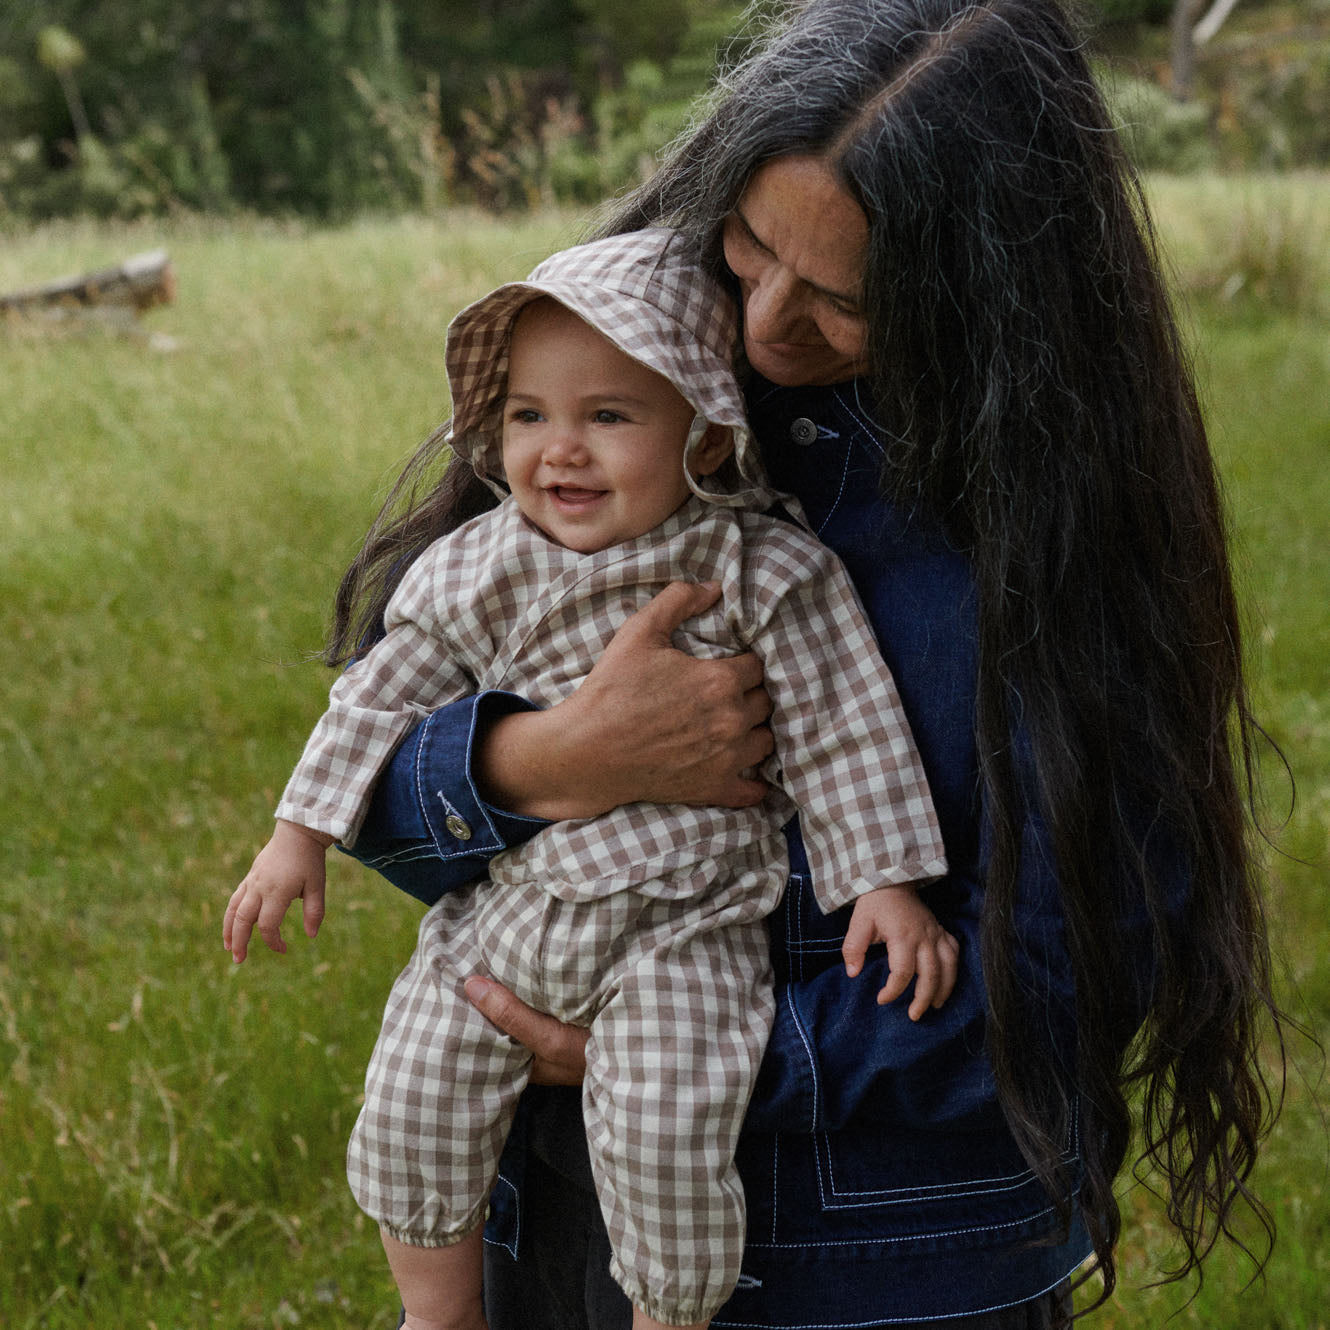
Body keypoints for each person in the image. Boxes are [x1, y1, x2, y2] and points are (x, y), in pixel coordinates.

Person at [260, 0, 1285, 1325]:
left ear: (984, 295)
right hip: (560, 1208)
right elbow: (379, 782)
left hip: (874, 1262)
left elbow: (1073, 966)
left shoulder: (1048, 527)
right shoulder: (630, 366)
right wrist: (550, 758)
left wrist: (700, 1050)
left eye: (844, 300)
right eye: (746, 246)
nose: (758, 327)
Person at [224, 227, 956, 1330]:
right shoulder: (480, 565)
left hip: (683, 922)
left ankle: (665, 1313)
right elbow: (376, 697)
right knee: (414, 1093)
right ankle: (437, 1313)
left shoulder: (760, 567)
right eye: (529, 415)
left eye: (608, 416)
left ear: (702, 435)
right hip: (504, 917)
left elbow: (845, 723)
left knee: (667, 1123)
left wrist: (885, 885)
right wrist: (299, 834)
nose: (560, 450)